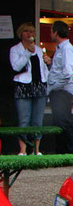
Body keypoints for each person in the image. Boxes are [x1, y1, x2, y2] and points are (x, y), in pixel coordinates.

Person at [9, 22, 49, 155]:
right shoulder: (15, 49)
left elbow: (43, 70)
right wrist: (27, 53)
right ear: (21, 34)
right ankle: (23, 150)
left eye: (32, 32)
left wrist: (49, 63)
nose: (30, 34)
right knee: (24, 119)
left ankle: (37, 150)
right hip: (23, 86)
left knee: (38, 120)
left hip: (39, 86)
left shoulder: (38, 49)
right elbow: (16, 67)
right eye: (26, 31)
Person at [45, 20, 73, 154]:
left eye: (51, 30)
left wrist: (55, 86)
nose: (50, 33)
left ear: (56, 32)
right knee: (59, 122)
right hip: (59, 91)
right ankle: (62, 152)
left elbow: (68, 72)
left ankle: (68, 152)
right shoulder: (61, 49)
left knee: (63, 123)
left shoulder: (66, 48)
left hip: (61, 92)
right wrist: (51, 63)